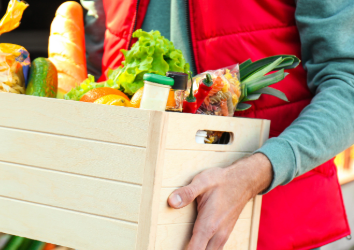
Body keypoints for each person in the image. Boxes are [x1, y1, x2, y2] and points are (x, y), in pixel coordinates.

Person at [82, 0, 354, 249]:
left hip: (273, 229)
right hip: (124, 227)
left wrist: (250, 176)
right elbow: (96, 74)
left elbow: (347, 84)